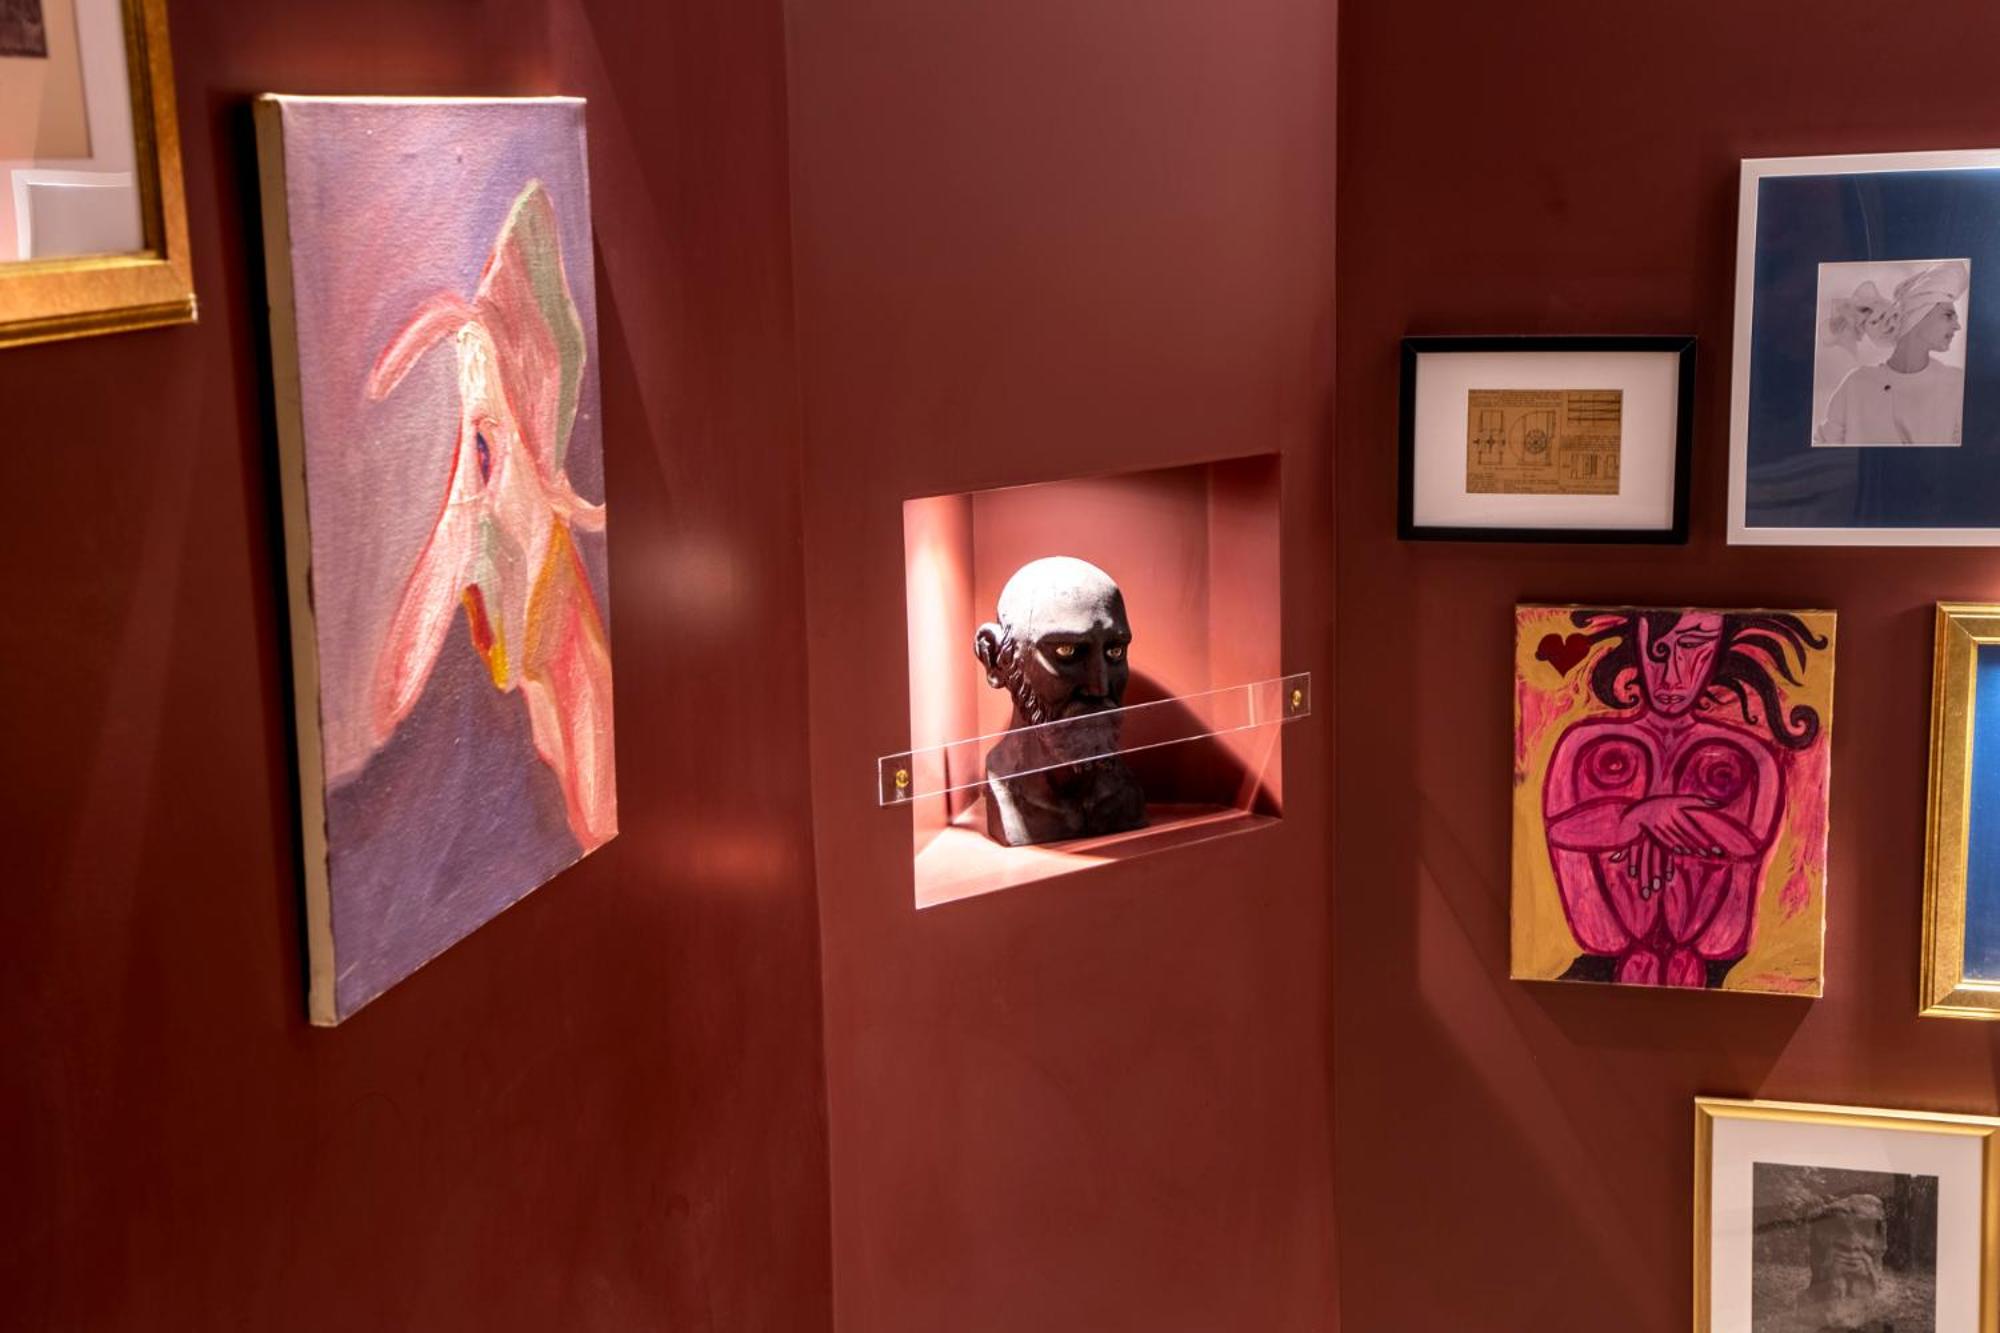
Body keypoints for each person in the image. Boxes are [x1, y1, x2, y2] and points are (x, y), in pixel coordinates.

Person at [1541, 609, 1827, 987]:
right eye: (1659, 653)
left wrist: (1660, 816)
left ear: (1719, 653)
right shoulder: (1582, 744)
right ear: (1636, 649)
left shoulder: (1751, 755)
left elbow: (1751, 840)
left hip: (1712, 954)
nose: (1673, 675)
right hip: (1602, 947)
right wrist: (1640, 817)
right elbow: (1560, 829)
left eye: (1694, 650)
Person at [973, 557, 1146, 846]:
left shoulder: (1123, 796)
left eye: (1115, 652)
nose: (1099, 686)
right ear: (995, 659)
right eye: (1067, 652)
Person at [1818, 260, 1968, 446]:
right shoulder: (1856, 384)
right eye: (1948, 315)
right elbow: (1822, 447)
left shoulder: (1957, 384)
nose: (1957, 326)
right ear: (1919, 315)